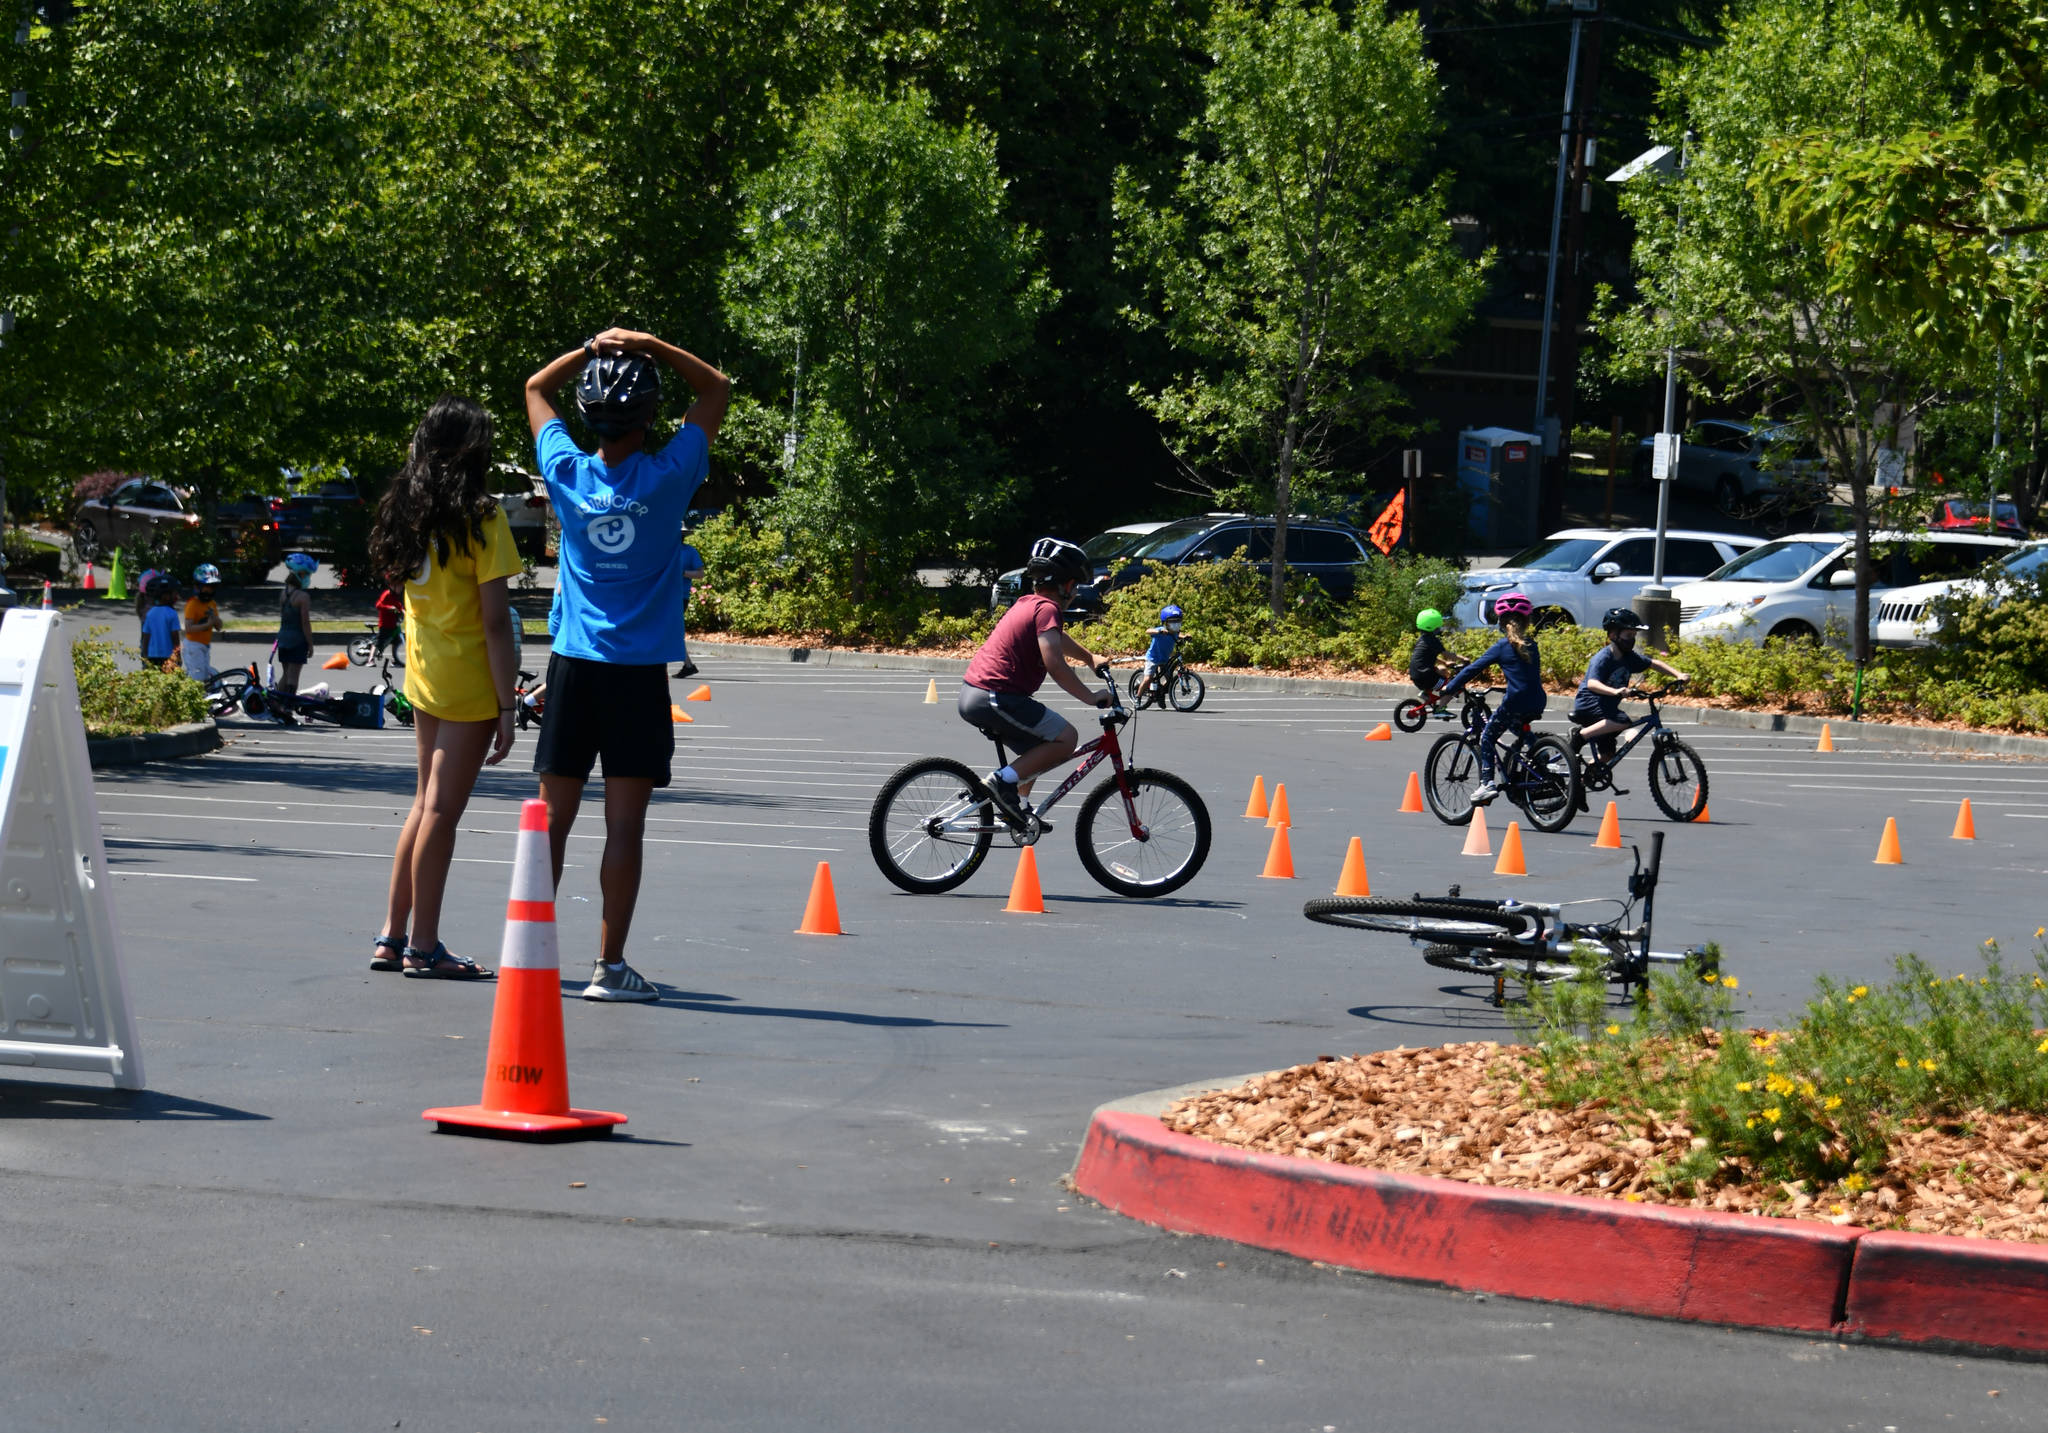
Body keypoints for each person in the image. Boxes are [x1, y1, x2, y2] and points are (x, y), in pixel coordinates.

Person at [524, 327, 730, 1002]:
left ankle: (529, 954)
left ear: (587, 413)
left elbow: (534, 388)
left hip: (573, 664)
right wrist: (650, 343)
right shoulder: (671, 475)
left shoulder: (567, 471)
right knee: (624, 825)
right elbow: (717, 388)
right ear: (649, 417)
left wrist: (588, 349)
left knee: (552, 820)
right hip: (638, 672)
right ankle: (609, 968)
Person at [369, 395, 524, 980]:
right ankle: (423, 947)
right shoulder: (482, 517)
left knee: (422, 805)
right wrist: (508, 705)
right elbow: (494, 623)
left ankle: (393, 934)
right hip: (466, 681)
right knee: (441, 811)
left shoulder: (406, 507)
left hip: (425, 673)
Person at [958, 537, 1111, 825]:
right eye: (1076, 585)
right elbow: (1055, 663)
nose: (1076, 592)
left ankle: (1020, 807)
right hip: (996, 696)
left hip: (978, 694)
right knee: (1067, 737)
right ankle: (1001, 783)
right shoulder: (1048, 609)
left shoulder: (1030, 604)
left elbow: (1055, 636)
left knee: (1039, 750)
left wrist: (1090, 658)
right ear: (1066, 585)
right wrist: (1091, 697)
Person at [1435, 591, 1543, 807]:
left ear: (1501, 621)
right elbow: (1525, 676)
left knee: (1487, 737)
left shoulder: (1503, 646)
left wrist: (1448, 690)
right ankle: (1545, 758)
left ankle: (1487, 784)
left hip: (1516, 700)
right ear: (1527, 621)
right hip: (1538, 699)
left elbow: (1471, 670)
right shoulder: (1532, 645)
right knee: (1519, 728)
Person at [1570, 607, 1689, 769]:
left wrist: (1678, 675)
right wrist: (1616, 691)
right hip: (1590, 704)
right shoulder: (1604, 657)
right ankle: (1580, 736)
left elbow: (1654, 663)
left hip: (1607, 710)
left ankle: (1582, 780)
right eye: (1628, 635)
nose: (1632, 639)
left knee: (1607, 755)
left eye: (1634, 636)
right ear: (1613, 635)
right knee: (1623, 721)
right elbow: (1592, 684)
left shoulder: (1629, 657)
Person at [275, 552, 319, 702]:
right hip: (297, 640)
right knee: (293, 676)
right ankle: (287, 706)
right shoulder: (303, 597)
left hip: (283, 638)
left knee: (286, 674)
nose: (308, 578)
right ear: (300, 574)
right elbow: (305, 623)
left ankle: (277, 703)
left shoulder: (283, 593)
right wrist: (310, 644)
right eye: (307, 574)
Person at [180, 564, 225, 681]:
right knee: (197, 676)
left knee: (204, 675)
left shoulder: (211, 604)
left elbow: (219, 626)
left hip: (205, 645)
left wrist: (215, 620)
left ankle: (204, 697)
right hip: (193, 646)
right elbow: (188, 628)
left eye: (212, 587)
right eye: (207, 587)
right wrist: (207, 625)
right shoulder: (192, 604)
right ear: (197, 586)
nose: (209, 590)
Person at [1135, 604, 1182, 709]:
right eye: (1172, 622)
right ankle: (1137, 697)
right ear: (1165, 622)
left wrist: (1185, 636)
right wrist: (1158, 631)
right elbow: (1148, 631)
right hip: (1153, 659)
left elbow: (1179, 635)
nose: (1175, 625)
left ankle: (1160, 694)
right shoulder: (1161, 630)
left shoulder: (1174, 632)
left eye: (1177, 622)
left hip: (1164, 659)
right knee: (1148, 678)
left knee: (1169, 679)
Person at [671, 540, 705, 680]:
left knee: (672, 630)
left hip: (679, 596)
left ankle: (688, 665)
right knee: (671, 630)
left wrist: (683, 572)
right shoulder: (662, 549)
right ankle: (688, 665)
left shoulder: (689, 551)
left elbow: (700, 573)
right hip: (662, 595)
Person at [140, 579, 183, 671]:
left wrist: (144, 656)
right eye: (174, 594)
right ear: (166, 596)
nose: (177, 597)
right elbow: (175, 637)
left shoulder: (150, 613)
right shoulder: (172, 613)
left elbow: (145, 637)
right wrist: (178, 656)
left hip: (151, 655)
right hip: (168, 656)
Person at [1408, 607, 1450, 698]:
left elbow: (1429, 656)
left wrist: (1445, 662)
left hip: (1415, 675)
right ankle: (1441, 709)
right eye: (1438, 627)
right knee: (1450, 687)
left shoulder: (1422, 639)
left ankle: (1426, 693)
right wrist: (1462, 658)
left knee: (1441, 669)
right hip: (1425, 677)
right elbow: (1446, 654)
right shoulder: (1433, 640)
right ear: (1433, 626)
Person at [374, 583, 404, 664]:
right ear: (392, 586)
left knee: (396, 641)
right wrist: (389, 607)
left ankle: (395, 660)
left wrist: (403, 611)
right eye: (399, 586)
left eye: (401, 587)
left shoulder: (395, 596)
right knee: (378, 642)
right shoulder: (386, 594)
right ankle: (370, 660)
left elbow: (398, 605)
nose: (401, 588)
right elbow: (378, 605)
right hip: (385, 623)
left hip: (393, 623)